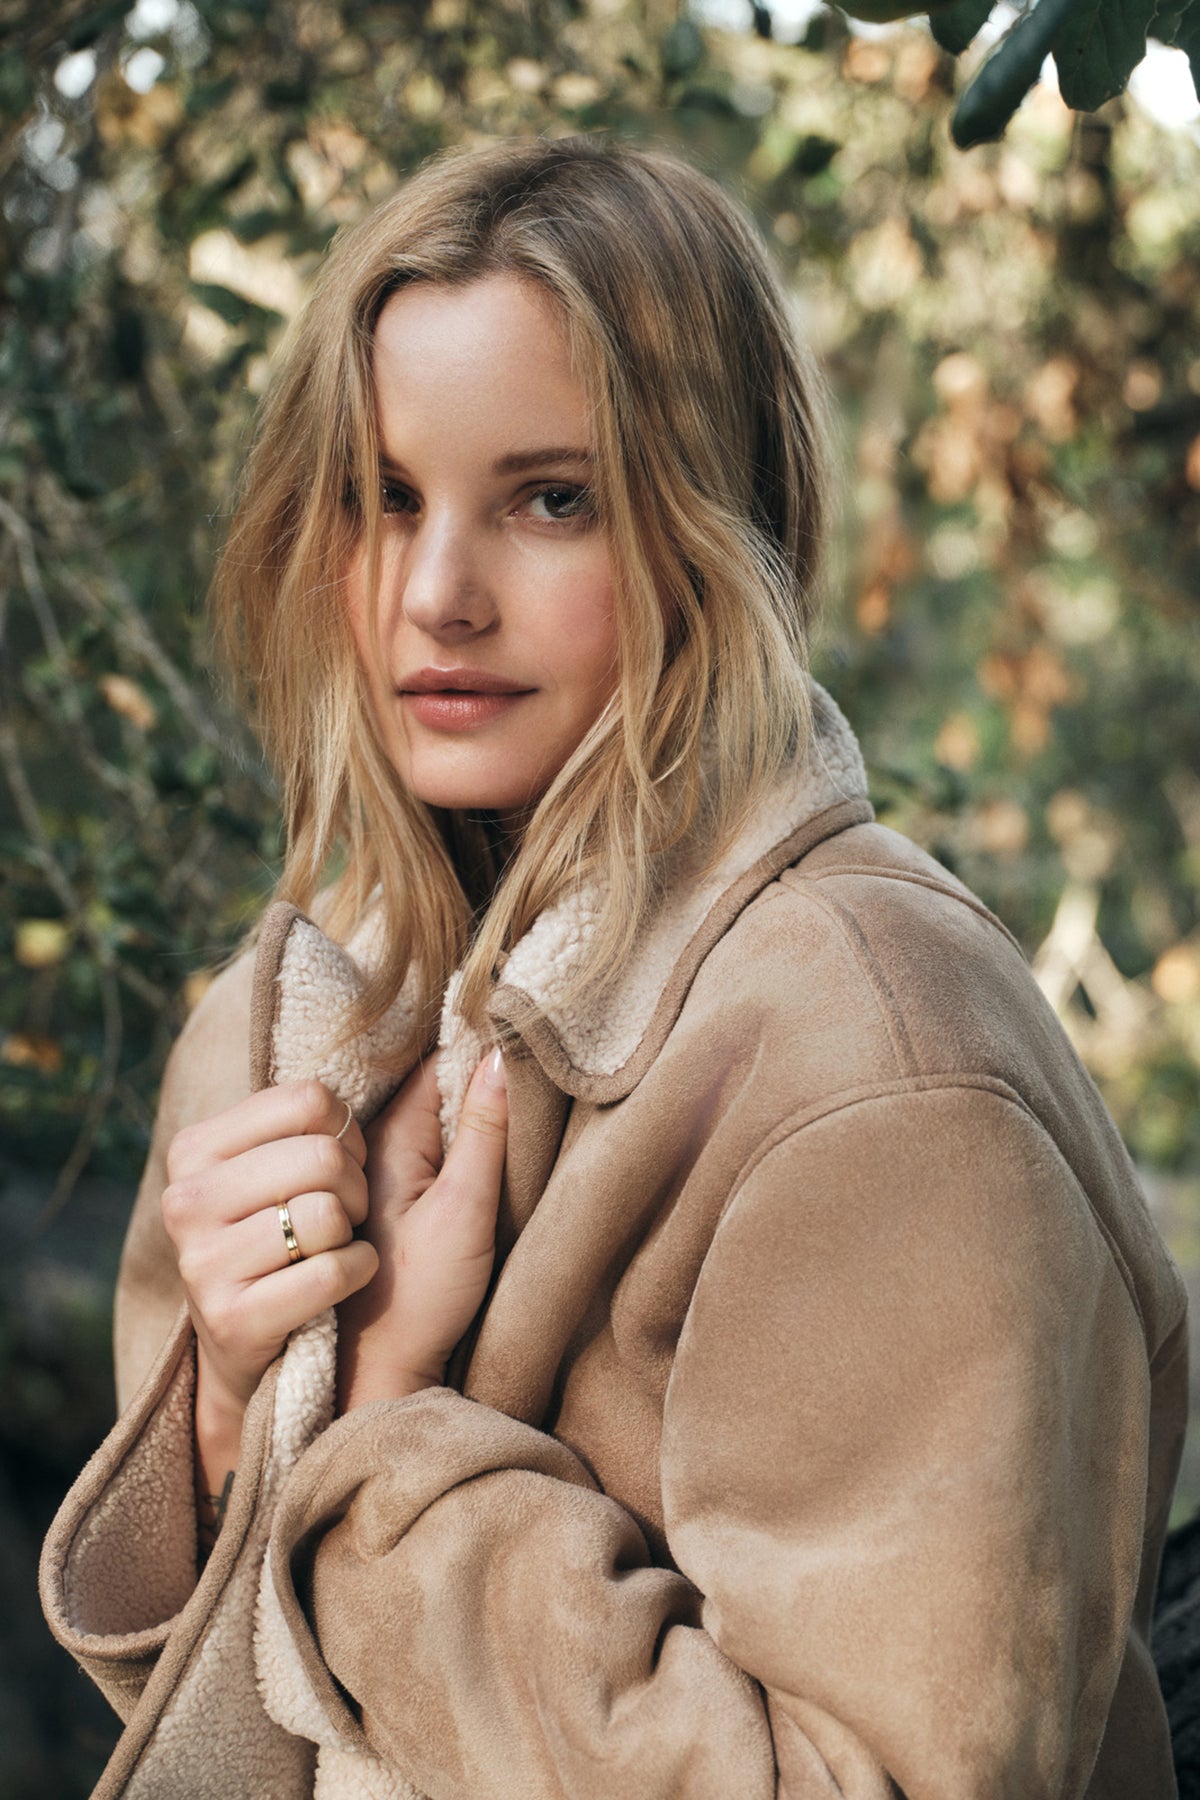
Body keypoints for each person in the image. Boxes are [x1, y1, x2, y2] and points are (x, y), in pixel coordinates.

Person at [41, 135, 1186, 1799]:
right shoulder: (291, 1026)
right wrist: (224, 1412)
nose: (436, 594)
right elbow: (199, 1712)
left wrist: (378, 1438)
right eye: (382, 498)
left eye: (551, 499)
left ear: (722, 529)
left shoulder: (882, 1069)